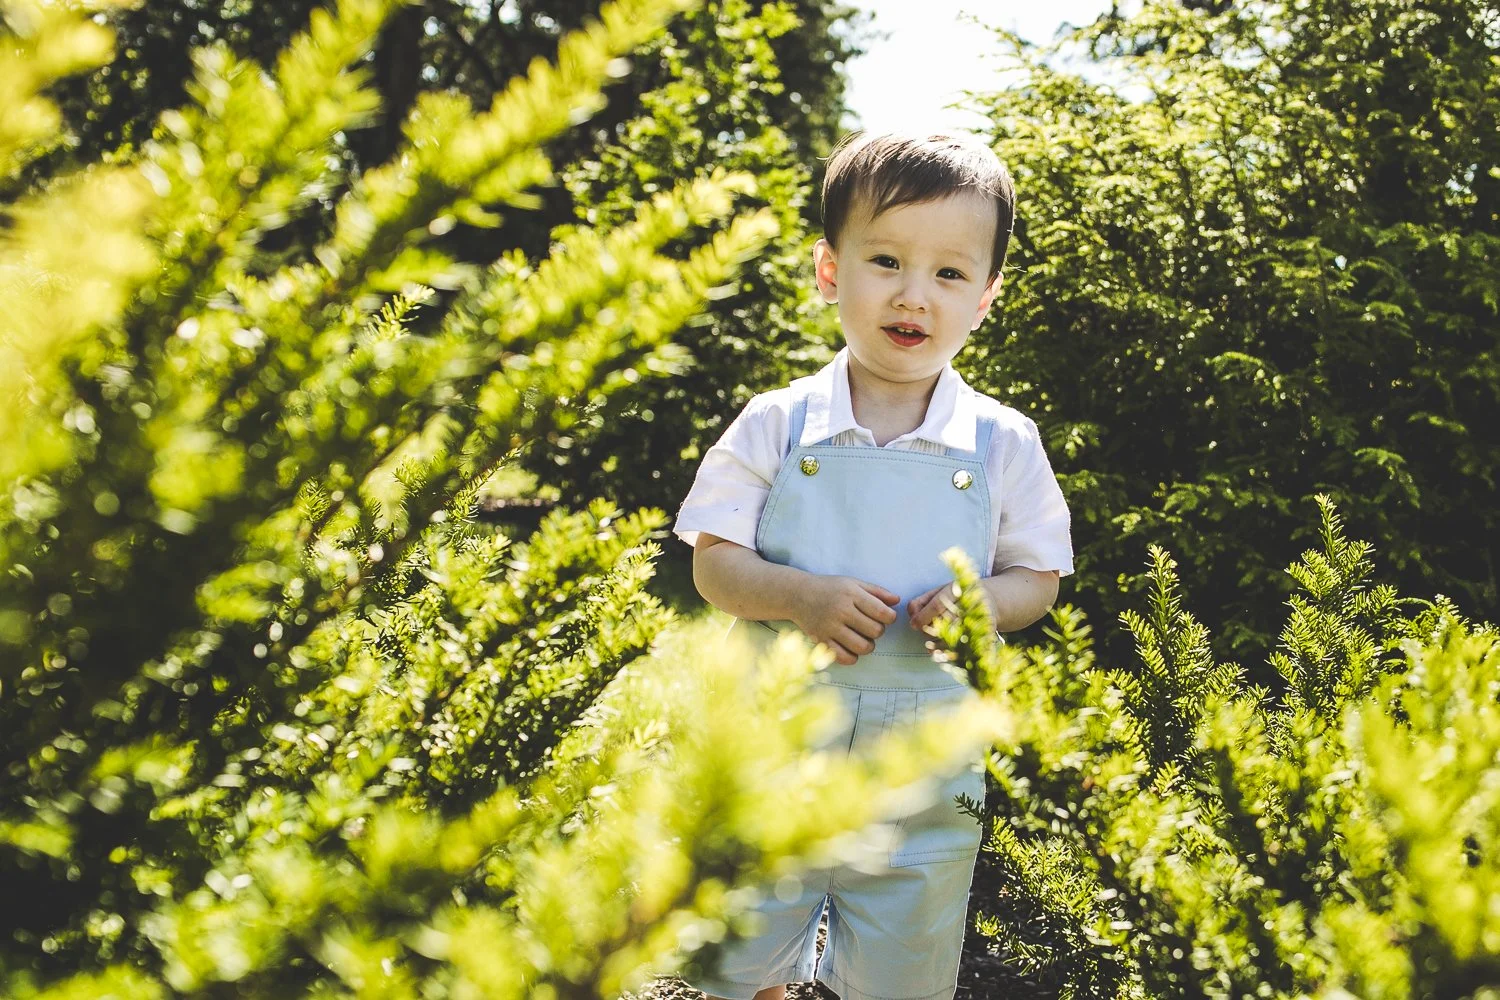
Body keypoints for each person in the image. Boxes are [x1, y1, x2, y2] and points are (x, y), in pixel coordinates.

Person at [671, 130, 1075, 1000]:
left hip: (926, 763)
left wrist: (984, 604)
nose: (913, 296)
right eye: (885, 260)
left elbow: (1037, 578)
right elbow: (714, 564)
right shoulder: (777, 423)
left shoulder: (1002, 441)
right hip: (774, 739)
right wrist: (798, 596)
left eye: (949, 274)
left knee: (907, 952)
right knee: (743, 936)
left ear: (987, 296)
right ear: (829, 270)